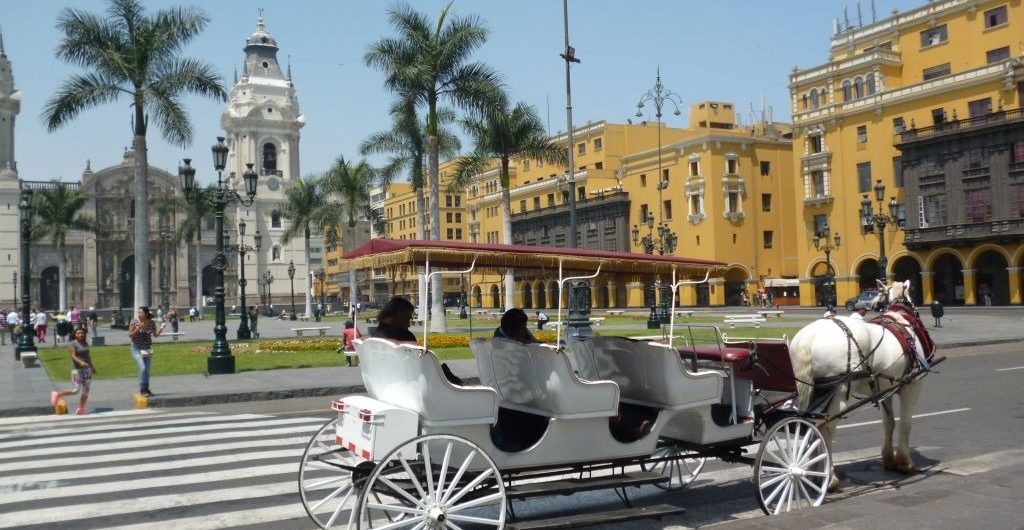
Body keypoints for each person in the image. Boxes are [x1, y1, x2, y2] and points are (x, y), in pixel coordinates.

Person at [50, 328, 96, 415]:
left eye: (82, 333)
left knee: (86, 391)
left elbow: (88, 356)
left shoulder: (85, 343)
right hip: (76, 370)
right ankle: (58, 394)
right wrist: (81, 362)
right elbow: (73, 356)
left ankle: (80, 408)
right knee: (76, 390)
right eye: (78, 333)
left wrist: (92, 367)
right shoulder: (72, 343)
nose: (80, 335)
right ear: (75, 334)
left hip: (87, 370)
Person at [128, 306, 165, 397]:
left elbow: (155, 335)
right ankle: (142, 389)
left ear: (146, 314)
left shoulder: (151, 323)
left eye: (141, 313)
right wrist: (138, 328)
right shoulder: (134, 322)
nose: (139, 314)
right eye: (138, 313)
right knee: (143, 367)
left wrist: (161, 328)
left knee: (147, 370)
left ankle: (146, 389)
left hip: (147, 349)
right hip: (136, 348)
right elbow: (130, 335)